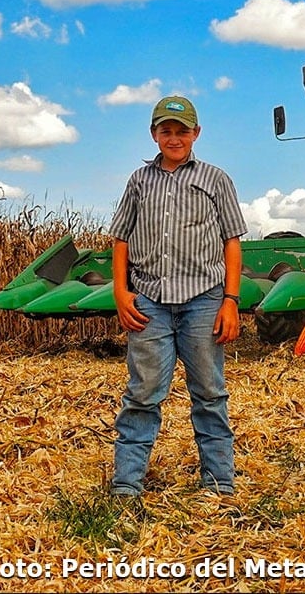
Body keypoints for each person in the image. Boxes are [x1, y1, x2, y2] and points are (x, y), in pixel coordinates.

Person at [107, 95, 248, 498]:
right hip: (150, 300)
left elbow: (231, 241)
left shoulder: (215, 179)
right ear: (154, 135)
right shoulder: (139, 181)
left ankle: (219, 484)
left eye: (181, 131)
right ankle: (127, 485)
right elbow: (120, 239)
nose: (174, 138)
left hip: (203, 299)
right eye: (165, 130)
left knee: (208, 392)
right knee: (143, 392)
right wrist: (121, 292)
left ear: (196, 134)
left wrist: (230, 300)